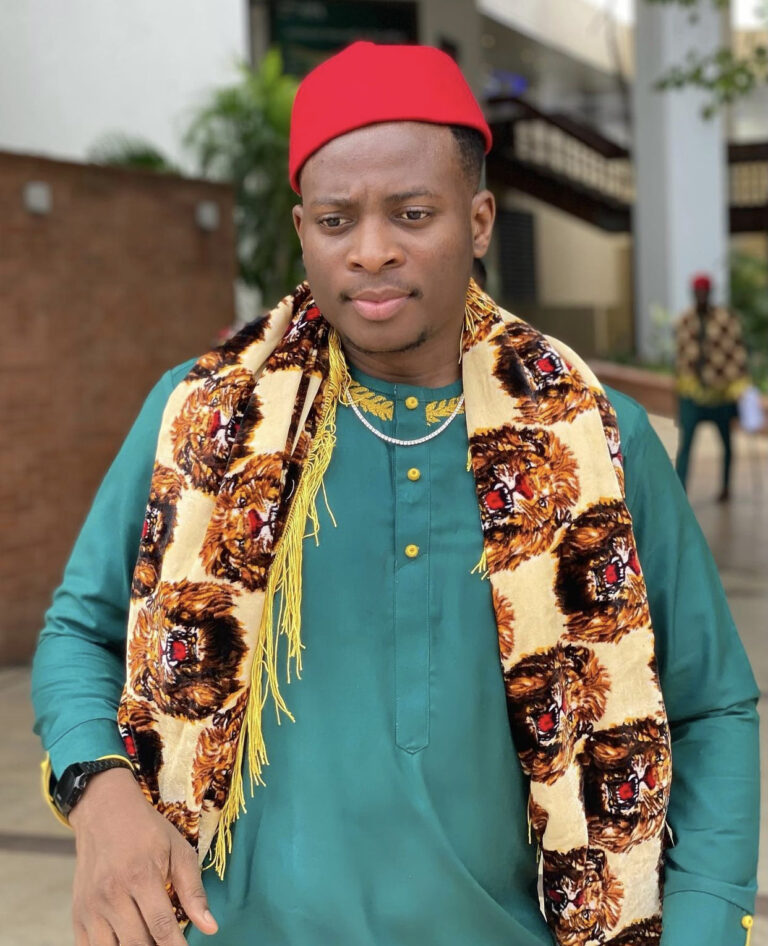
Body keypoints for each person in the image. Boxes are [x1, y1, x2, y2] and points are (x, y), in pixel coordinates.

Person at [31, 42, 758, 946]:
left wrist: (703, 918)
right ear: (302, 232)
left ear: (480, 218)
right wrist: (98, 797)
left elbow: (713, 705)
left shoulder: (598, 441)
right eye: (337, 221)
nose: (372, 252)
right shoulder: (199, 418)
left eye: (412, 214)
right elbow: (78, 633)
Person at [674, 273, 750, 501]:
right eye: (697, 292)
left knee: (726, 443)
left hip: (720, 396)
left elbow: (736, 355)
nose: (701, 297)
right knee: (685, 445)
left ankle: (726, 486)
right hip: (692, 396)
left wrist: (738, 386)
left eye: (704, 292)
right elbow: (681, 358)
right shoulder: (685, 321)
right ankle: (680, 490)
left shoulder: (725, 320)